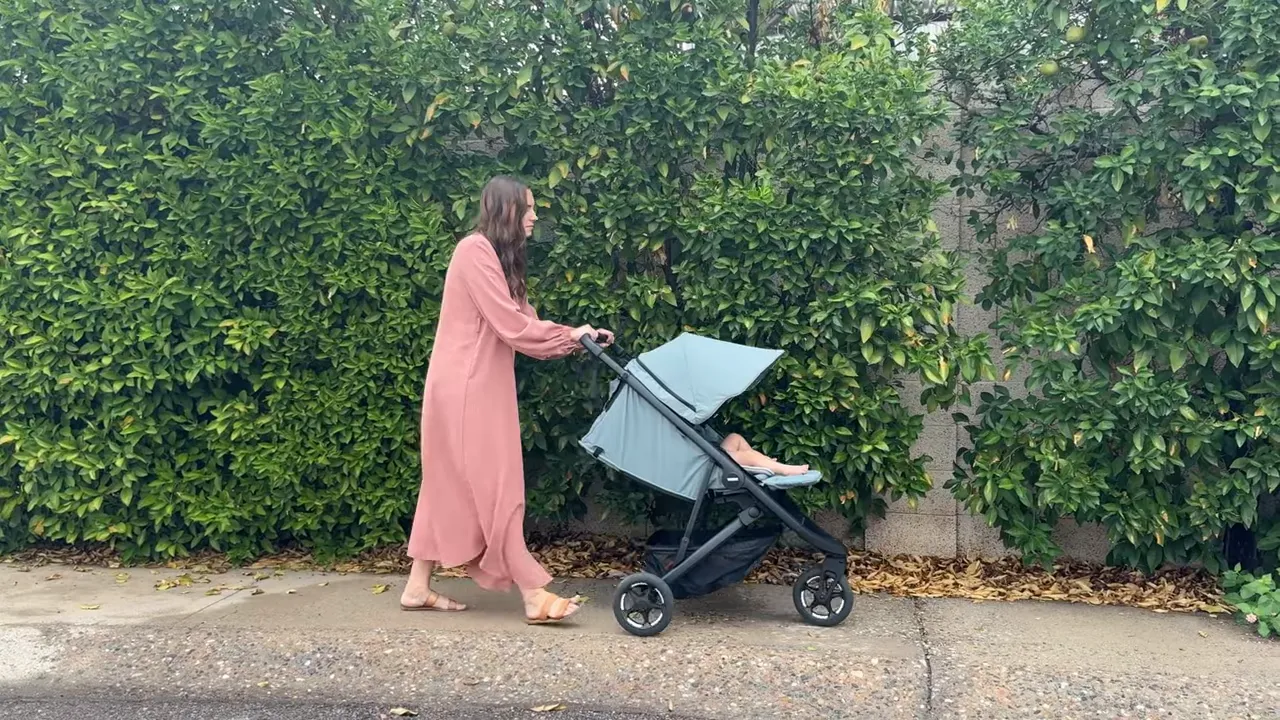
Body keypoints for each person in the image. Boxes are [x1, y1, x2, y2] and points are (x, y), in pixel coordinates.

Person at [400, 175, 613, 625]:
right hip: (466, 387)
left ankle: (417, 587)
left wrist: (578, 336)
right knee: (499, 487)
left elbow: (522, 321)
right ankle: (534, 593)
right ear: (505, 211)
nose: (535, 216)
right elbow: (512, 327)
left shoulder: (496, 258)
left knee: (445, 485)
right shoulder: (474, 251)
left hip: (473, 384)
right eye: (528, 208)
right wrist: (569, 336)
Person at [719, 433, 811, 476]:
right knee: (748, 456)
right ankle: (785, 470)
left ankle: (763, 461)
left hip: (714, 454)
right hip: (712, 464)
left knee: (734, 437)